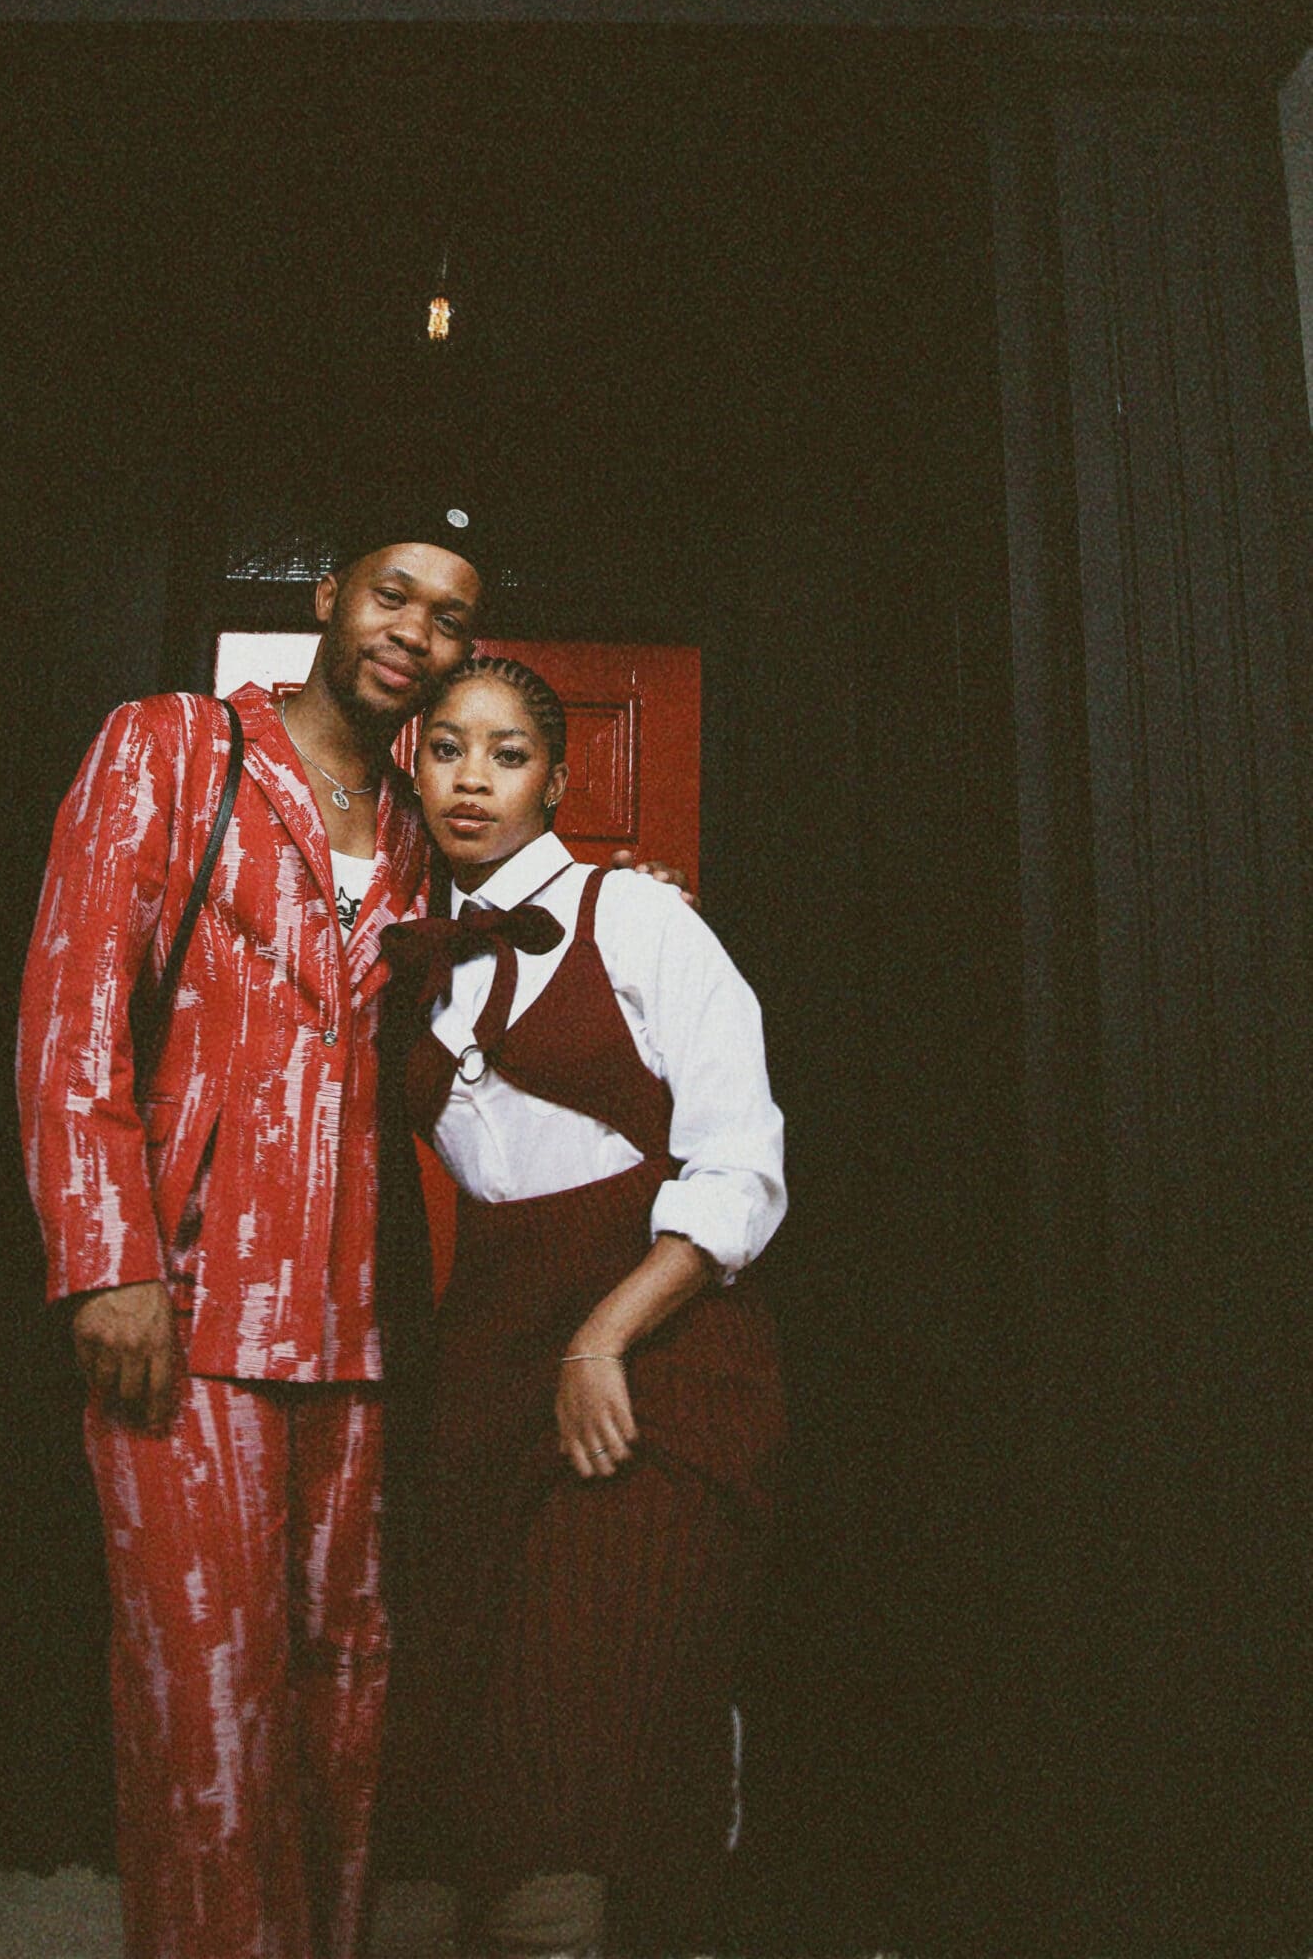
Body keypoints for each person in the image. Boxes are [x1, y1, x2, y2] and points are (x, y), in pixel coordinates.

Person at [16, 521, 483, 1959]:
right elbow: (71, 1010)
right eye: (393, 594)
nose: (415, 631)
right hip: (191, 1301)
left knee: (347, 1688)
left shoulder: (418, 827)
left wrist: (617, 918)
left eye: (450, 618)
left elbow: (440, 1051)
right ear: (330, 598)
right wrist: (108, 1263)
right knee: (206, 1700)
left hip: (357, 1323)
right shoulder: (172, 747)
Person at [379, 656, 787, 1959]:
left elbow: (742, 1167)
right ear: (414, 771)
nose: (474, 781)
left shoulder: (646, 920)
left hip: (659, 1350)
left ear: (557, 781)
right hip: (489, 1362)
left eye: (508, 755)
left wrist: (604, 1336)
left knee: (568, 1746)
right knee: (435, 1779)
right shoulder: (408, 963)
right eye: (448, 750)